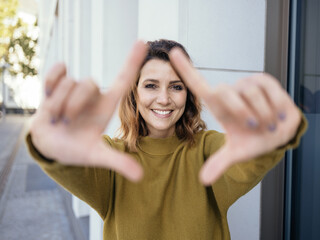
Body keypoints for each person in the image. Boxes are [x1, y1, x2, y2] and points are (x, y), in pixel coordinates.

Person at [27, 39, 307, 239]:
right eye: (151, 85)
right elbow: (69, 161)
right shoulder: (112, 159)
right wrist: (53, 147)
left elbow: (245, 158)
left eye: (176, 87)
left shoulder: (206, 149)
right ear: (135, 94)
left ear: (188, 95)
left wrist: (265, 140)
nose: (164, 99)